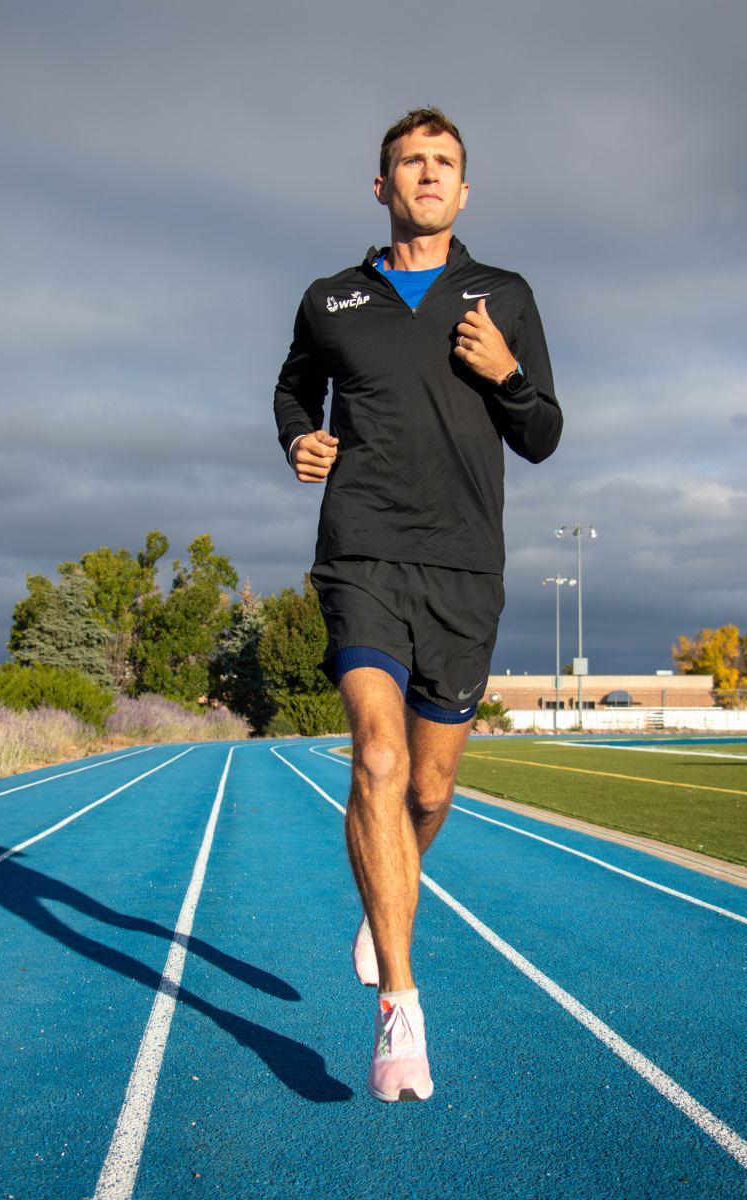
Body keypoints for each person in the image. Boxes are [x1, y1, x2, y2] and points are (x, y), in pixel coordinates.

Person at [274, 107, 562, 1102]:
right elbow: (292, 393)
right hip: (360, 555)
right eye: (410, 161)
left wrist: (507, 375)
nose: (427, 175)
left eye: (444, 163)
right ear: (381, 185)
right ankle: (401, 1006)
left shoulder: (504, 296)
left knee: (429, 793)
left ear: (463, 190)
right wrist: (299, 441)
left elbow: (543, 434)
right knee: (378, 757)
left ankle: (384, 897)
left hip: (464, 571)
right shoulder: (330, 299)